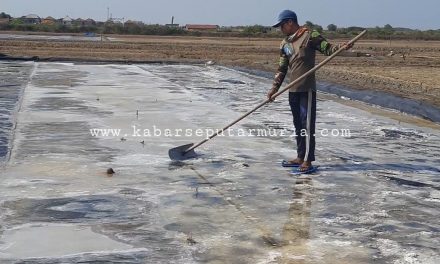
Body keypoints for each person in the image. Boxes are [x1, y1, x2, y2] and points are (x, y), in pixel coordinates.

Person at [267, 10, 352, 173]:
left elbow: (328, 49)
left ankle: (307, 160)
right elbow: (282, 68)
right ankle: (300, 156)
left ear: (290, 22)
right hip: (293, 89)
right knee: (298, 125)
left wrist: (342, 47)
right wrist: (274, 88)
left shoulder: (309, 35)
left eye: (281, 26)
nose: (280, 29)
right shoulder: (285, 43)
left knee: (307, 125)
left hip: (307, 89)